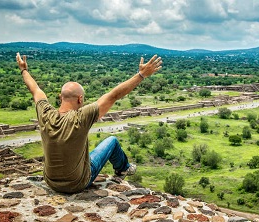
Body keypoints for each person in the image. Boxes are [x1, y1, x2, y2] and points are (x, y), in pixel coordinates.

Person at [16, 52, 162, 193]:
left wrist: (23, 70)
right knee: (112, 141)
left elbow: (35, 89)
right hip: (78, 183)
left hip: (51, 182)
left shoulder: (45, 114)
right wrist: (141, 75)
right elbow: (114, 95)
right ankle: (123, 168)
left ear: (60, 97)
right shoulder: (81, 117)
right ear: (80, 99)